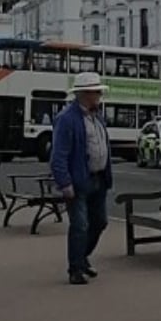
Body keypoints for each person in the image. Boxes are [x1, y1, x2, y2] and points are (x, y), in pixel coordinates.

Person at [50, 72, 113, 286]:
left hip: (99, 179)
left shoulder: (97, 117)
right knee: (80, 225)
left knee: (100, 221)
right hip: (78, 181)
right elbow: (58, 155)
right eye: (96, 92)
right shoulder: (67, 119)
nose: (99, 96)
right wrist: (65, 183)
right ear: (84, 94)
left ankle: (81, 257)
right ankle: (75, 268)